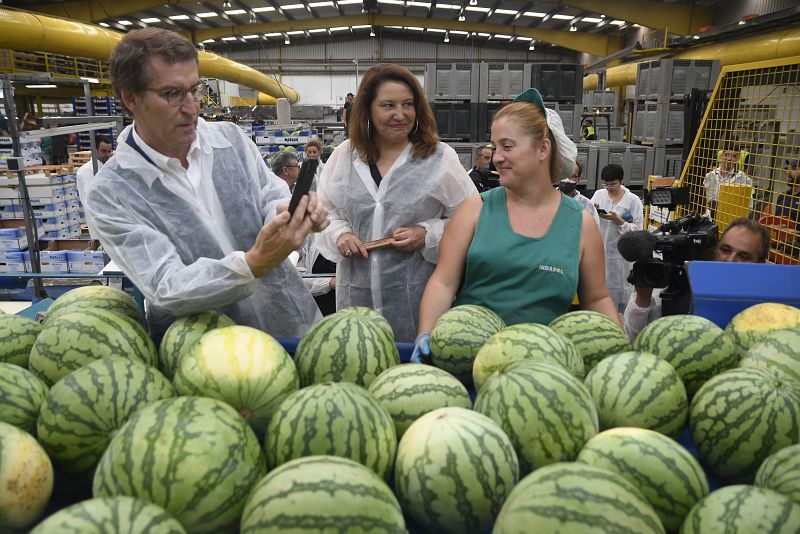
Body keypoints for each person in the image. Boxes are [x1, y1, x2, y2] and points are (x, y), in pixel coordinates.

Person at [82, 27, 327, 340]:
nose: (191, 108)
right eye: (172, 94)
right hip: (202, 352)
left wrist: (288, 214)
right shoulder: (111, 193)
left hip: (289, 326)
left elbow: (269, 195)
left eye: (194, 90)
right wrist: (252, 264)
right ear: (131, 98)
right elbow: (166, 286)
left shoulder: (229, 140)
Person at [413, 88, 620, 361]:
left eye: (507, 146)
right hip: (470, 363)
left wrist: (619, 348)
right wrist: (426, 331)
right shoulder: (475, 210)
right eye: (495, 146)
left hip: (543, 369)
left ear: (543, 148)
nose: (497, 156)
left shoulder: (580, 224)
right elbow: (443, 282)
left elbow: (597, 299)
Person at [316, 63, 477, 341]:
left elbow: (472, 218)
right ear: (368, 109)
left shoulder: (439, 158)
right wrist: (340, 234)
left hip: (417, 304)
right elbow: (324, 213)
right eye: (388, 105)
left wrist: (427, 233)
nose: (400, 115)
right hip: (356, 299)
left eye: (408, 104)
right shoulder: (345, 156)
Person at [623, 218, 771, 340]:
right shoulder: (676, 285)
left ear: (760, 263)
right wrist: (643, 297)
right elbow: (633, 338)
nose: (730, 260)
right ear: (716, 250)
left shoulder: (766, 306)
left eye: (743, 256)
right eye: (725, 250)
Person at [591, 163, 645, 312]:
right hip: (601, 251)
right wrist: (594, 211)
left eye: (613, 184)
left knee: (622, 292)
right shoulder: (598, 195)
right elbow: (589, 219)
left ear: (621, 180)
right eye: (606, 184)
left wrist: (618, 221)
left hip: (623, 256)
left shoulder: (632, 201)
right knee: (601, 290)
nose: (609, 188)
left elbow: (637, 232)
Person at [704, 145, 752, 218]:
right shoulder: (709, 176)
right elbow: (704, 200)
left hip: (731, 220)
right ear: (721, 156)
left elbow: (749, 206)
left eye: (733, 156)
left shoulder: (744, 179)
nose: (729, 159)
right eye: (726, 155)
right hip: (709, 219)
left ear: (738, 159)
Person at [559, 162, 600, 228]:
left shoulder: (587, 205)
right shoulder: (546, 200)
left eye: (572, 176)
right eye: (564, 175)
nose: (567, 180)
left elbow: (594, 230)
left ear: (578, 180)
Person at [76, 135, 113, 201]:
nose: (107, 154)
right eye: (103, 151)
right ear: (94, 150)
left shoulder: (106, 168)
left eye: (109, 151)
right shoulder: (88, 170)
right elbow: (92, 198)